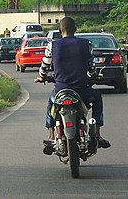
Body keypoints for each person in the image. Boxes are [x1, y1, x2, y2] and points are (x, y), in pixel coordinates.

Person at [36, 16, 110, 153]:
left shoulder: (52, 45)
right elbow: (91, 68)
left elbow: (44, 65)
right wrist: (93, 76)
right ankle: (98, 134)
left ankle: (52, 135)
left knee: (51, 104)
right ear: (75, 30)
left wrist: (41, 77)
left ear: (60, 30)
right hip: (82, 91)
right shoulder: (86, 45)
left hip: (60, 90)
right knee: (97, 98)